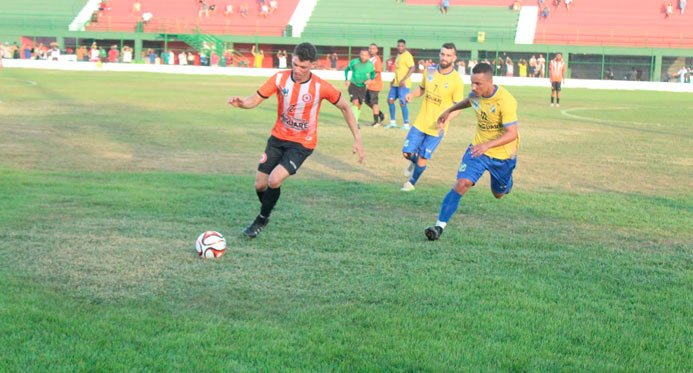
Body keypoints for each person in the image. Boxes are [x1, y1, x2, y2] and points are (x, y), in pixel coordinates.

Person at [228, 42, 365, 238]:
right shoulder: (279, 79)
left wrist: (357, 138)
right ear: (292, 60)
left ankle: (261, 219)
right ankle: (268, 207)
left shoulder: (320, 87)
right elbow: (255, 99)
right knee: (260, 184)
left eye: (304, 67)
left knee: (274, 180)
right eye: (295, 64)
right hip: (277, 138)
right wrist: (241, 103)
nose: (298, 70)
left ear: (312, 66)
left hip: (302, 143)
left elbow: (345, 107)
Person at [424, 63, 519, 241]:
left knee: (498, 194)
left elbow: (512, 134)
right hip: (477, 149)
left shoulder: (505, 100)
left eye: (478, 84)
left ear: (490, 82)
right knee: (462, 183)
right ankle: (438, 227)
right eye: (472, 83)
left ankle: (507, 182)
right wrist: (449, 109)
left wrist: (488, 145)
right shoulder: (476, 94)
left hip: (503, 155)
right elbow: (470, 100)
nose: (474, 87)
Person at [399, 43, 464, 192]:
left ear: (454, 58)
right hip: (421, 122)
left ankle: (411, 183)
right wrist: (412, 95)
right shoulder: (430, 70)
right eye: (442, 54)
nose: (444, 58)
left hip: (437, 128)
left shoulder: (456, 81)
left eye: (448, 55)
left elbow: (458, 107)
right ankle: (414, 163)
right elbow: (422, 88)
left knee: (423, 157)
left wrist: (446, 120)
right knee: (406, 153)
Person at [384, 39, 415, 129]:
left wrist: (404, 80)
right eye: (398, 46)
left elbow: (412, 68)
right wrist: (394, 79)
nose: (400, 47)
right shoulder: (398, 55)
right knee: (390, 100)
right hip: (396, 84)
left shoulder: (408, 56)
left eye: (402, 46)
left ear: (405, 46)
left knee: (402, 103)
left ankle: (406, 124)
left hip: (404, 84)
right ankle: (393, 122)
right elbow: (399, 70)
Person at [344, 49, 376, 124]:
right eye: (362, 54)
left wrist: (370, 80)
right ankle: (354, 122)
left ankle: (355, 120)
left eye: (365, 55)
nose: (363, 56)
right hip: (353, 85)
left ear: (368, 56)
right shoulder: (354, 62)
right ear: (359, 54)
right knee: (355, 102)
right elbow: (346, 70)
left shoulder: (370, 65)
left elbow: (373, 74)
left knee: (359, 105)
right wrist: (346, 79)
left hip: (362, 87)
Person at [366, 43, 385, 126]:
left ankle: (376, 121)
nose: (371, 50)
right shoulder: (369, 59)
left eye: (373, 48)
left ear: (377, 50)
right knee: (366, 100)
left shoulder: (377, 59)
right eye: (370, 48)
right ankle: (380, 114)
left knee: (374, 103)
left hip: (375, 84)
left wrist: (370, 80)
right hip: (369, 85)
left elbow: (377, 72)